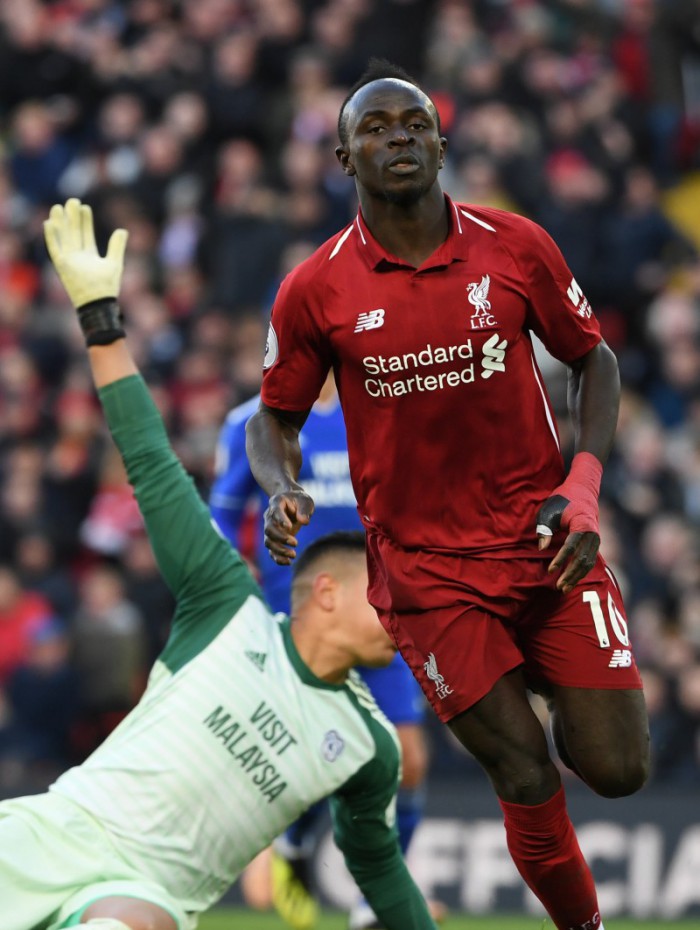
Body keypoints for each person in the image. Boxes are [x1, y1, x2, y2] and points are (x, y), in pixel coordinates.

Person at [245, 59, 651, 930]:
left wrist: (583, 486)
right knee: (524, 773)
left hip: (546, 542)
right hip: (427, 575)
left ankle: (551, 669)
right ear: (345, 160)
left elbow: (594, 359)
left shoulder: (516, 245)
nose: (399, 137)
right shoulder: (316, 288)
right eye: (375, 128)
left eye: (414, 123)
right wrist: (281, 486)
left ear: (440, 143)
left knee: (619, 770)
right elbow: (272, 418)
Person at [0, 197, 440, 930]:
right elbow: (151, 462)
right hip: (49, 835)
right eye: (389, 597)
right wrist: (101, 322)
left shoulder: (370, 751)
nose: (405, 613)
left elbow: (382, 871)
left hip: (142, 895)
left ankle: (287, 855)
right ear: (327, 592)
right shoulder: (225, 607)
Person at [211, 373, 431, 930]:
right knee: (301, 751)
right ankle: (293, 841)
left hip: (378, 614)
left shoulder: (382, 410)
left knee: (409, 760)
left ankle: (369, 907)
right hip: (297, 619)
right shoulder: (249, 422)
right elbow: (222, 514)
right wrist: (231, 578)